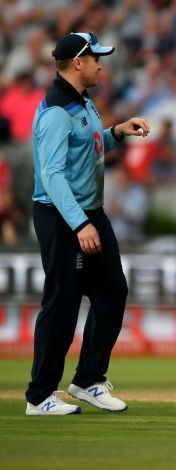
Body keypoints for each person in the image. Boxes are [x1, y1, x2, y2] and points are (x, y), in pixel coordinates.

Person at [26, 32, 151, 416]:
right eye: (96, 58)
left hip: (89, 214)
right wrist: (81, 225)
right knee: (62, 304)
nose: (101, 64)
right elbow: (52, 176)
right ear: (77, 63)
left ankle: (87, 381)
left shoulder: (82, 102)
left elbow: (88, 148)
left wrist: (116, 132)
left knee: (112, 292)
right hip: (64, 217)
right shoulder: (56, 111)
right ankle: (40, 396)